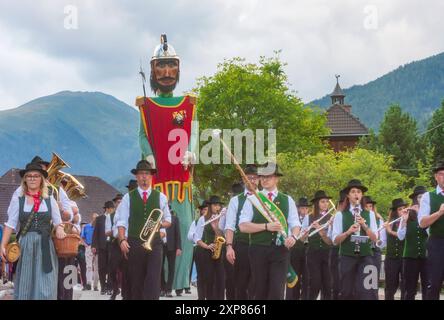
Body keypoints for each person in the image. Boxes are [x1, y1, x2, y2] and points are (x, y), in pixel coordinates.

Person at [136, 34, 198, 292]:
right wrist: (148, 154)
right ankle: (158, 281)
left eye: (171, 64)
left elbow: (194, 131)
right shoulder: (146, 106)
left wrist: (192, 151)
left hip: (182, 182)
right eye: (160, 66)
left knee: (185, 233)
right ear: (152, 70)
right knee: (155, 231)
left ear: (178, 68)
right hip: (158, 180)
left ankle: (180, 281)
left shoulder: (190, 103)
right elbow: (142, 135)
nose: (166, 71)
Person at [0, 162, 66, 300]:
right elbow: (10, 224)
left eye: (36, 176)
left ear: (41, 179)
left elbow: (58, 222)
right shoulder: (18, 199)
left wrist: (60, 229)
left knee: (46, 286)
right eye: (29, 176)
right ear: (25, 179)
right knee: (26, 284)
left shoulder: (50, 199)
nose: (32, 178)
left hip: (45, 245)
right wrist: (2, 245)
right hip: (26, 245)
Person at [239, 162, 301, 300]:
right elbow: (242, 226)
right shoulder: (253, 199)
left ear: (277, 178)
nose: (265, 180)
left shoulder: (287, 200)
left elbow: (295, 224)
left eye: (269, 176)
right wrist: (266, 226)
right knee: (260, 290)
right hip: (258, 249)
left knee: (277, 291)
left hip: (280, 250)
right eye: (262, 177)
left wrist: (294, 237)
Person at [115, 160, 172, 300]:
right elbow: (121, 221)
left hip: (155, 243)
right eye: (141, 174)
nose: (144, 177)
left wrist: (159, 225)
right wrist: (122, 240)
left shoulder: (161, 197)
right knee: (137, 281)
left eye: (147, 174)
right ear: (137, 177)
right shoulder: (128, 197)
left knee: (153, 279)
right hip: (135, 242)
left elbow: (168, 220)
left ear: (151, 176)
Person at [332, 179, 378, 300]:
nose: (356, 194)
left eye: (358, 192)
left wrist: (364, 226)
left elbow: (375, 238)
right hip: (347, 256)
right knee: (346, 292)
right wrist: (348, 232)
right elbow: (335, 240)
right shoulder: (340, 215)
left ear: (362, 195)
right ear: (348, 195)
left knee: (367, 292)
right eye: (353, 191)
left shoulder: (370, 214)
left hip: (366, 256)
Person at [225, 166, 259, 300]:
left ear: (259, 180)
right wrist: (229, 246)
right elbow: (230, 225)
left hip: (261, 246)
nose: (252, 180)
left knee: (258, 283)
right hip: (242, 246)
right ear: (243, 179)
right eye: (248, 178)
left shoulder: (266, 199)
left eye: (255, 178)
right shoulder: (236, 200)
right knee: (241, 283)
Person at [418, 161, 444, 300]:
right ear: (436, 177)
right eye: (441, 174)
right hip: (437, 243)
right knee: (434, 283)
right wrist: (439, 213)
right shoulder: (428, 196)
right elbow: (422, 223)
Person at [397, 186, 428, 300]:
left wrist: (420, 213)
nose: (422, 199)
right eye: (419, 197)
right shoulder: (407, 215)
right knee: (409, 289)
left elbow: (431, 233)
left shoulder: (429, 214)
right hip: (410, 257)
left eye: (424, 197)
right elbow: (400, 236)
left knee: (428, 288)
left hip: (427, 257)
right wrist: (404, 221)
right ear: (415, 199)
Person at [301, 190, 333, 300]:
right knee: (315, 282)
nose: (325, 204)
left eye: (327, 202)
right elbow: (301, 238)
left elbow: (331, 241)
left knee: (328, 284)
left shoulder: (332, 218)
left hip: (327, 253)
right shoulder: (308, 217)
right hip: (313, 253)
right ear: (317, 203)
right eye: (323, 201)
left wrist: (321, 231)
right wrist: (306, 233)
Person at [194, 195, 226, 300]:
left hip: (220, 251)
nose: (218, 207)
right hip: (207, 253)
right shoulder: (202, 219)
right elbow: (197, 238)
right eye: (215, 205)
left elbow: (222, 236)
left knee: (221, 279)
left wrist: (216, 227)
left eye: (219, 206)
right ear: (210, 206)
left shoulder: (222, 218)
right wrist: (207, 246)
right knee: (209, 279)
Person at [286, 197, 310, 300]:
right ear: (298, 209)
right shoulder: (292, 220)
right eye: (302, 208)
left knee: (306, 277)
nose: (304, 211)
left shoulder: (310, 219)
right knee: (294, 277)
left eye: (306, 208)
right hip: (294, 251)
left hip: (307, 251)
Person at [384, 198, 407, 300]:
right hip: (391, 258)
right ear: (395, 211)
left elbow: (403, 236)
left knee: (405, 285)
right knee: (390, 286)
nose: (402, 211)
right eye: (399, 209)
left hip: (404, 258)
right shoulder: (389, 223)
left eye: (403, 208)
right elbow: (381, 243)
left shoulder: (408, 222)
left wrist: (390, 231)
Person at [92, 201, 114, 294]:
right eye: (112, 208)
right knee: (102, 267)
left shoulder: (115, 218)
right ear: (108, 209)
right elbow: (95, 233)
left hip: (112, 245)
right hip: (101, 246)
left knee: (111, 267)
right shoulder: (99, 219)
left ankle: (109, 287)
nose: (113, 210)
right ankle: (103, 287)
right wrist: (94, 245)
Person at [189, 200, 208, 300]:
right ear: (201, 211)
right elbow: (190, 235)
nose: (205, 211)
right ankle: (201, 297)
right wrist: (198, 236)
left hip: (212, 249)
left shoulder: (215, 219)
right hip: (200, 250)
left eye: (207, 209)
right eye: (204, 209)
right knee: (201, 275)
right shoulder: (196, 221)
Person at [161, 208, 182, 298]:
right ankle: (162, 288)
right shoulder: (157, 218)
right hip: (160, 246)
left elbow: (178, 234)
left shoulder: (174, 219)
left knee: (171, 268)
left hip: (172, 246)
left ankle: (169, 289)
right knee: (160, 268)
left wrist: (179, 248)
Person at [81, 213, 99, 291]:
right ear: (92, 218)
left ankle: (95, 286)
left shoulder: (99, 228)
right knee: (89, 266)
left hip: (98, 248)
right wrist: (86, 245)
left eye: (97, 219)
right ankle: (88, 284)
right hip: (89, 246)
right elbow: (82, 237)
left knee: (96, 267)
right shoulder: (86, 227)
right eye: (95, 218)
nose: (96, 220)